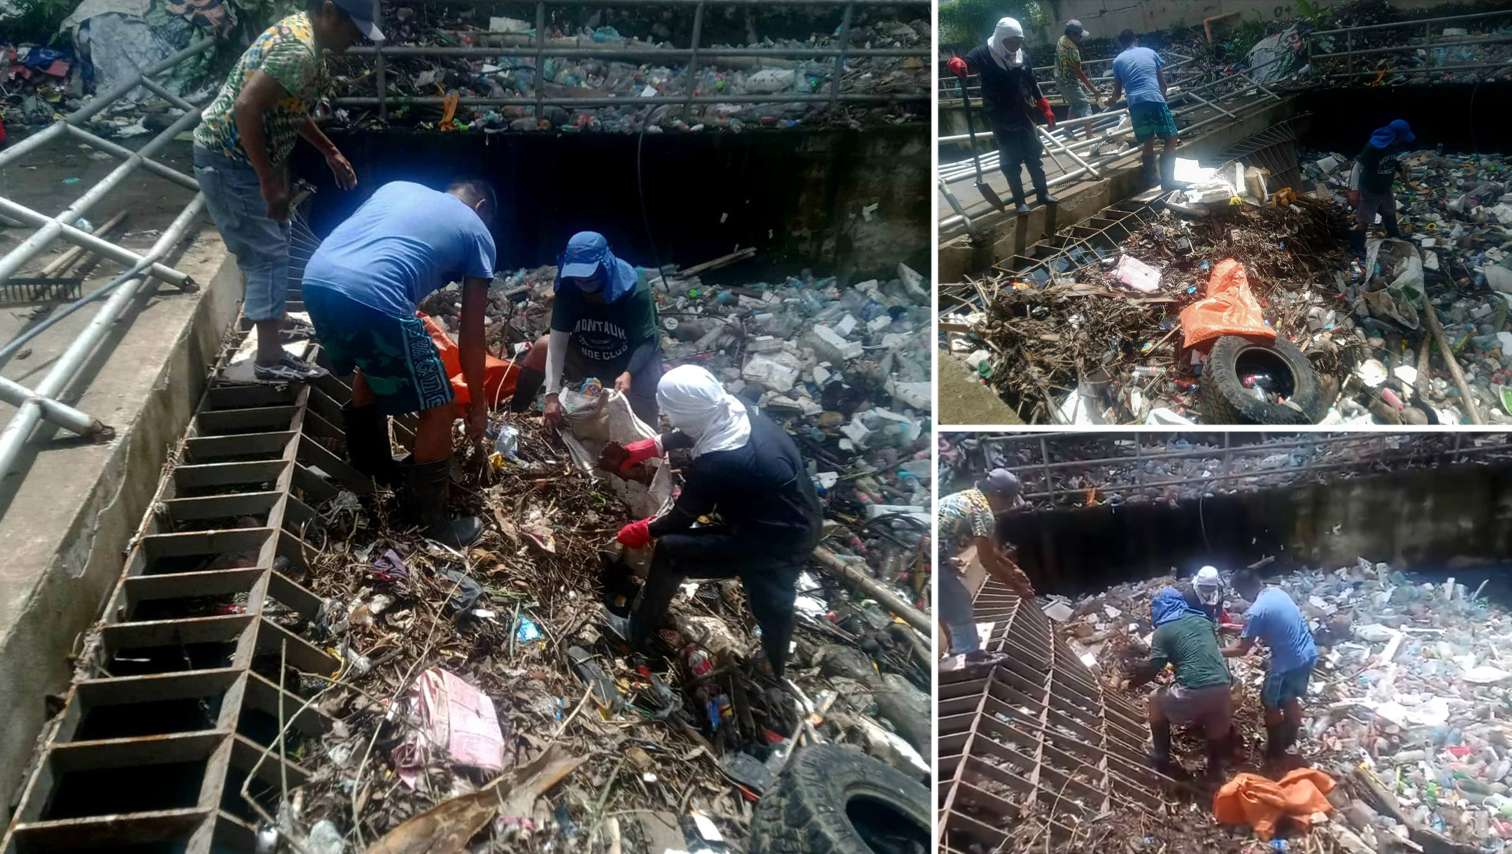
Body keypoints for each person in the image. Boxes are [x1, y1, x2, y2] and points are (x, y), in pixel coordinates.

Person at [300, 179, 498, 548]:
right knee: (439, 406)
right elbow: (472, 335)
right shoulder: (478, 232)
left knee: (371, 363)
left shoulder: (397, 187)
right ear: (481, 207)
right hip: (372, 293)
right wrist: (478, 405)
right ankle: (428, 524)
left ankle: (371, 472)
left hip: (316, 280)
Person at [192, 0, 380, 382]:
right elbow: (247, 107)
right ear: (330, 12)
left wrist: (329, 151)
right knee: (267, 254)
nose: (355, 40)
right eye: (353, 30)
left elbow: (290, 106)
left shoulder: (307, 40)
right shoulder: (299, 48)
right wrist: (267, 181)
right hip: (231, 161)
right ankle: (269, 359)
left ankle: (276, 320)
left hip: (246, 159)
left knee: (282, 234)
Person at [606, 365, 822, 678]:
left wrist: (642, 530)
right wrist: (654, 445)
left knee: (672, 552)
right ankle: (774, 661)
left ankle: (635, 630)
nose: (668, 418)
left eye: (672, 412)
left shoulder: (717, 463)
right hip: (800, 513)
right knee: (775, 602)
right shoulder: (736, 406)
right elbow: (696, 427)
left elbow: (680, 519)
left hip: (775, 541)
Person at [512, 232, 663, 426]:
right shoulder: (567, 288)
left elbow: (647, 341)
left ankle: (648, 424)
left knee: (639, 419)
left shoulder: (634, 291)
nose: (583, 283)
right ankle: (515, 412)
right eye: (578, 278)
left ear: (605, 265)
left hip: (628, 363)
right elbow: (557, 343)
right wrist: (551, 395)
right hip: (588, 356)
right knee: (543, 345)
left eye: (589, 276)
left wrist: (629, 374)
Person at [945, 18, 1058, 215]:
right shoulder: (984, 53)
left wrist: (1043, 104)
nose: (1015, 46)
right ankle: (1020, 202)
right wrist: (958, 64)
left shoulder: (1023, 57)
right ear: (1001, 38)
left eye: (1019, 42)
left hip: (1024, 111)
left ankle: (1042, 193)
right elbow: (966, 64)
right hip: (1000, 114)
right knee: (1010, 158)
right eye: (1011, 42)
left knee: (1033, 153)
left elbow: (1031, 81)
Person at [1129, 587, 1234, 779]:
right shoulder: (1204, 620)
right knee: (1214, 720)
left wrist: (1132, 682)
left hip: (1193, 690)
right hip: (1223, 686)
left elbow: (1156, 666)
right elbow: (1214, 652)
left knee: (1154, 699)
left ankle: (1161, 755)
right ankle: (1215, 770)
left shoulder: (1163, 630)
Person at [937, 469, 1035, 674]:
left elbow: (989, 548)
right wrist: (1015, 587)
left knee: (945, 598)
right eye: (1008, 501)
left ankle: (957, 647)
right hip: (928, 554)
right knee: (958, 600)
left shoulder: (971, 497)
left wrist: (1012, 568)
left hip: (929, 549)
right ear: (996, 495)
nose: (1008, 506)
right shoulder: (983, 512)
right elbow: (987, 561)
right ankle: (971, 657)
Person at [1225, 569, 1319, 762]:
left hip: (1287, 663)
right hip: (1308, 654)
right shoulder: (1278, 593)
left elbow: (1242, 650)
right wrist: (1231, 628)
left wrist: (1212, 651)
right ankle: (1290, 742)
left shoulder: (1255, 612)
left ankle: (1275, 750)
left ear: (1242, 590)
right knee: (1290, 697)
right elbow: (1269, 626)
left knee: (1270, 702)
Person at [1105, 29, 1183, 192]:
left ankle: (1153, 180)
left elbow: (1117, 94)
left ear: (1122, 45)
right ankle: (1168, 181)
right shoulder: (1150, 52)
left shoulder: (1118, 61)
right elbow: (1163, 84)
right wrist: (1164, 98)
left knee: (1147, 140)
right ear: (1136, 41)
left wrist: (1110, 102)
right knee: (1171, 137)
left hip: (1135, 105)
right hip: (1154, 99)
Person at [1348, 120, 1414, 259]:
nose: (1403, 140)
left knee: (1390, 212)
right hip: (1370, 188)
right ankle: (1356, 247)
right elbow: (1356, 168)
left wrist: (1401, 171)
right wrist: (1354, 190)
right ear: (1394, 135)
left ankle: (1395, 235)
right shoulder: (1373, 147)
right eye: (1402, 137)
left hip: (1385, 187)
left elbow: (1392, 160)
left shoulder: (1394, 145)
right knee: (1365, 219)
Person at [1054, 20, 1101, 141]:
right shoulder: (1073, 49)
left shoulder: (1061, 40)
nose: (1081, 38)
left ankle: (1067, 129)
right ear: (1072, 34)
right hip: (1069, 82)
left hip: (1060, 79)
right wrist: (1093, 88)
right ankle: (1089, 136)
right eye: (1079, 36)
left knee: (1075, 103)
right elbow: (1078, 71)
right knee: (1085, 104)